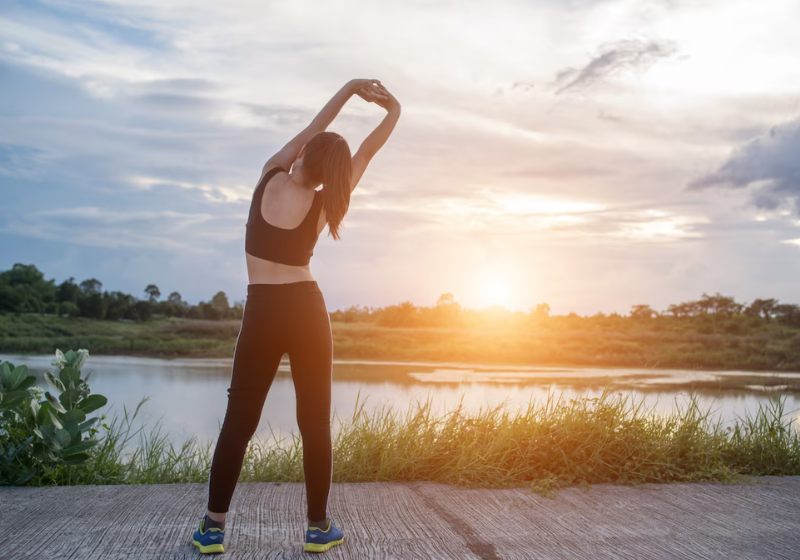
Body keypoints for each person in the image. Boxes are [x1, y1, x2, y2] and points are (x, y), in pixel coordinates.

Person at [191, 78, 401, 554]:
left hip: (262, 310)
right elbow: (364, 154)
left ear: (304, 153)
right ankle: (316, 527)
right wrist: (393, 113)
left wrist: (349, 90)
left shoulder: (269, 174)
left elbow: (315, 126)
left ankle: (212, 528)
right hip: (307, 309)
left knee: (238, 420)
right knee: (314, 422)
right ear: (334, 174)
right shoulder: (328, 200)